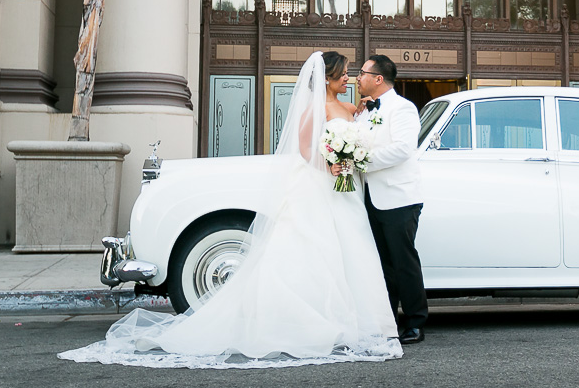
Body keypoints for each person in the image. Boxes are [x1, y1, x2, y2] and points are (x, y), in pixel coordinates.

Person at [58, 52, 402, 369]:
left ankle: (358, 319)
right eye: (343, 75)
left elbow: (356, 132)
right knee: (315, 252)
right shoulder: (316, 108)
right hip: (321, 187)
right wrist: (335, 166)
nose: (348, 79)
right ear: (327, 78)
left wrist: (356, 131)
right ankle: (309, 320)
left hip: (347, 193)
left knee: (351, 254)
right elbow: (304, 149)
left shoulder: (352, 108)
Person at [355, 55, 428, 344]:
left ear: (378, 79)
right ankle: (388, 321)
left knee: (403, 261)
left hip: (399, 197)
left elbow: (403, 149)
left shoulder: (403, 109)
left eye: (362, 73)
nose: (357, 77)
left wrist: (361, 161)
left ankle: (415, 321)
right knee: (383, 264)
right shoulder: (363, 111)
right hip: (370, 198)